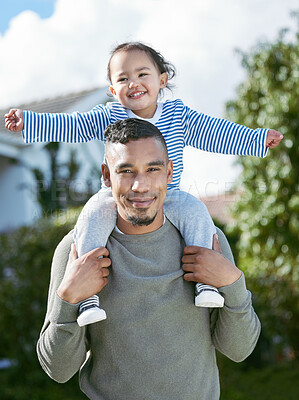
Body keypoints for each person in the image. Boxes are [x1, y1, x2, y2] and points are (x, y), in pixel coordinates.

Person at [5, 41, 283, 325]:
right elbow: (72, 125)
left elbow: (216, 132)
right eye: (123, 78)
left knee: (198, 212)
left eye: (142, 74)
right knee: (90, 217)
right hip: (115, 197)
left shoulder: (178, 115)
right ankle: (88, 299)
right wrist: (29, 121)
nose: (133, 83)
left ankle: (206, 285)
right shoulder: (110, 115)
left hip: (169, 195)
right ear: (113, 90)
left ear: (162, 80)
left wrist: (256, 139)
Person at [37, 118, 261, 400]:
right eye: (126, 171)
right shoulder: (76, 251)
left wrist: (233, 282)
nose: (140, 185)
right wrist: (68, 298)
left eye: (153, 169)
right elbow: (58, 370)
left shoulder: (205, 241)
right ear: (107, 176)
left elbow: (239, 351)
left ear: (169, 172)